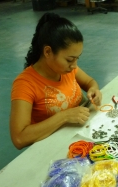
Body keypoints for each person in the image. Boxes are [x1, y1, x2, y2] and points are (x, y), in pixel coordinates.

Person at [10, 12, 102, 150]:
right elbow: (19, 138)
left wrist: (94, 89)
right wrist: (64, 117)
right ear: (47, 52)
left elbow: (90, 82)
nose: (75, 65)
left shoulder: (66, 69)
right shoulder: (25, 84)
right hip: (52, 149)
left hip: (79, 138)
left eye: (77, 58)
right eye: (70, 59)